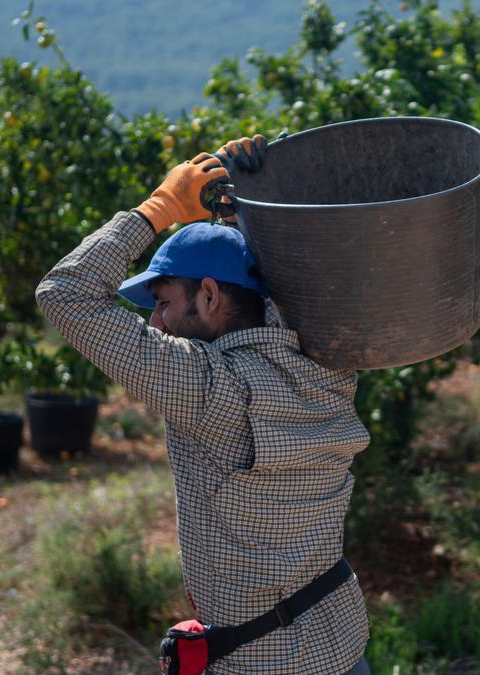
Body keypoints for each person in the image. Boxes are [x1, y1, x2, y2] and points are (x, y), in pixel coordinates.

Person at [35, 137, 371, 674]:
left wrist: (158, 209)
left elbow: (65, 293)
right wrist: (251, 206)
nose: (156, 324)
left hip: (262, 663)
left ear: (210, 297)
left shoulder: (209, 389)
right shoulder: (325, 362)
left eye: (164, 303)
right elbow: (287, 284)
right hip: (341, 640)